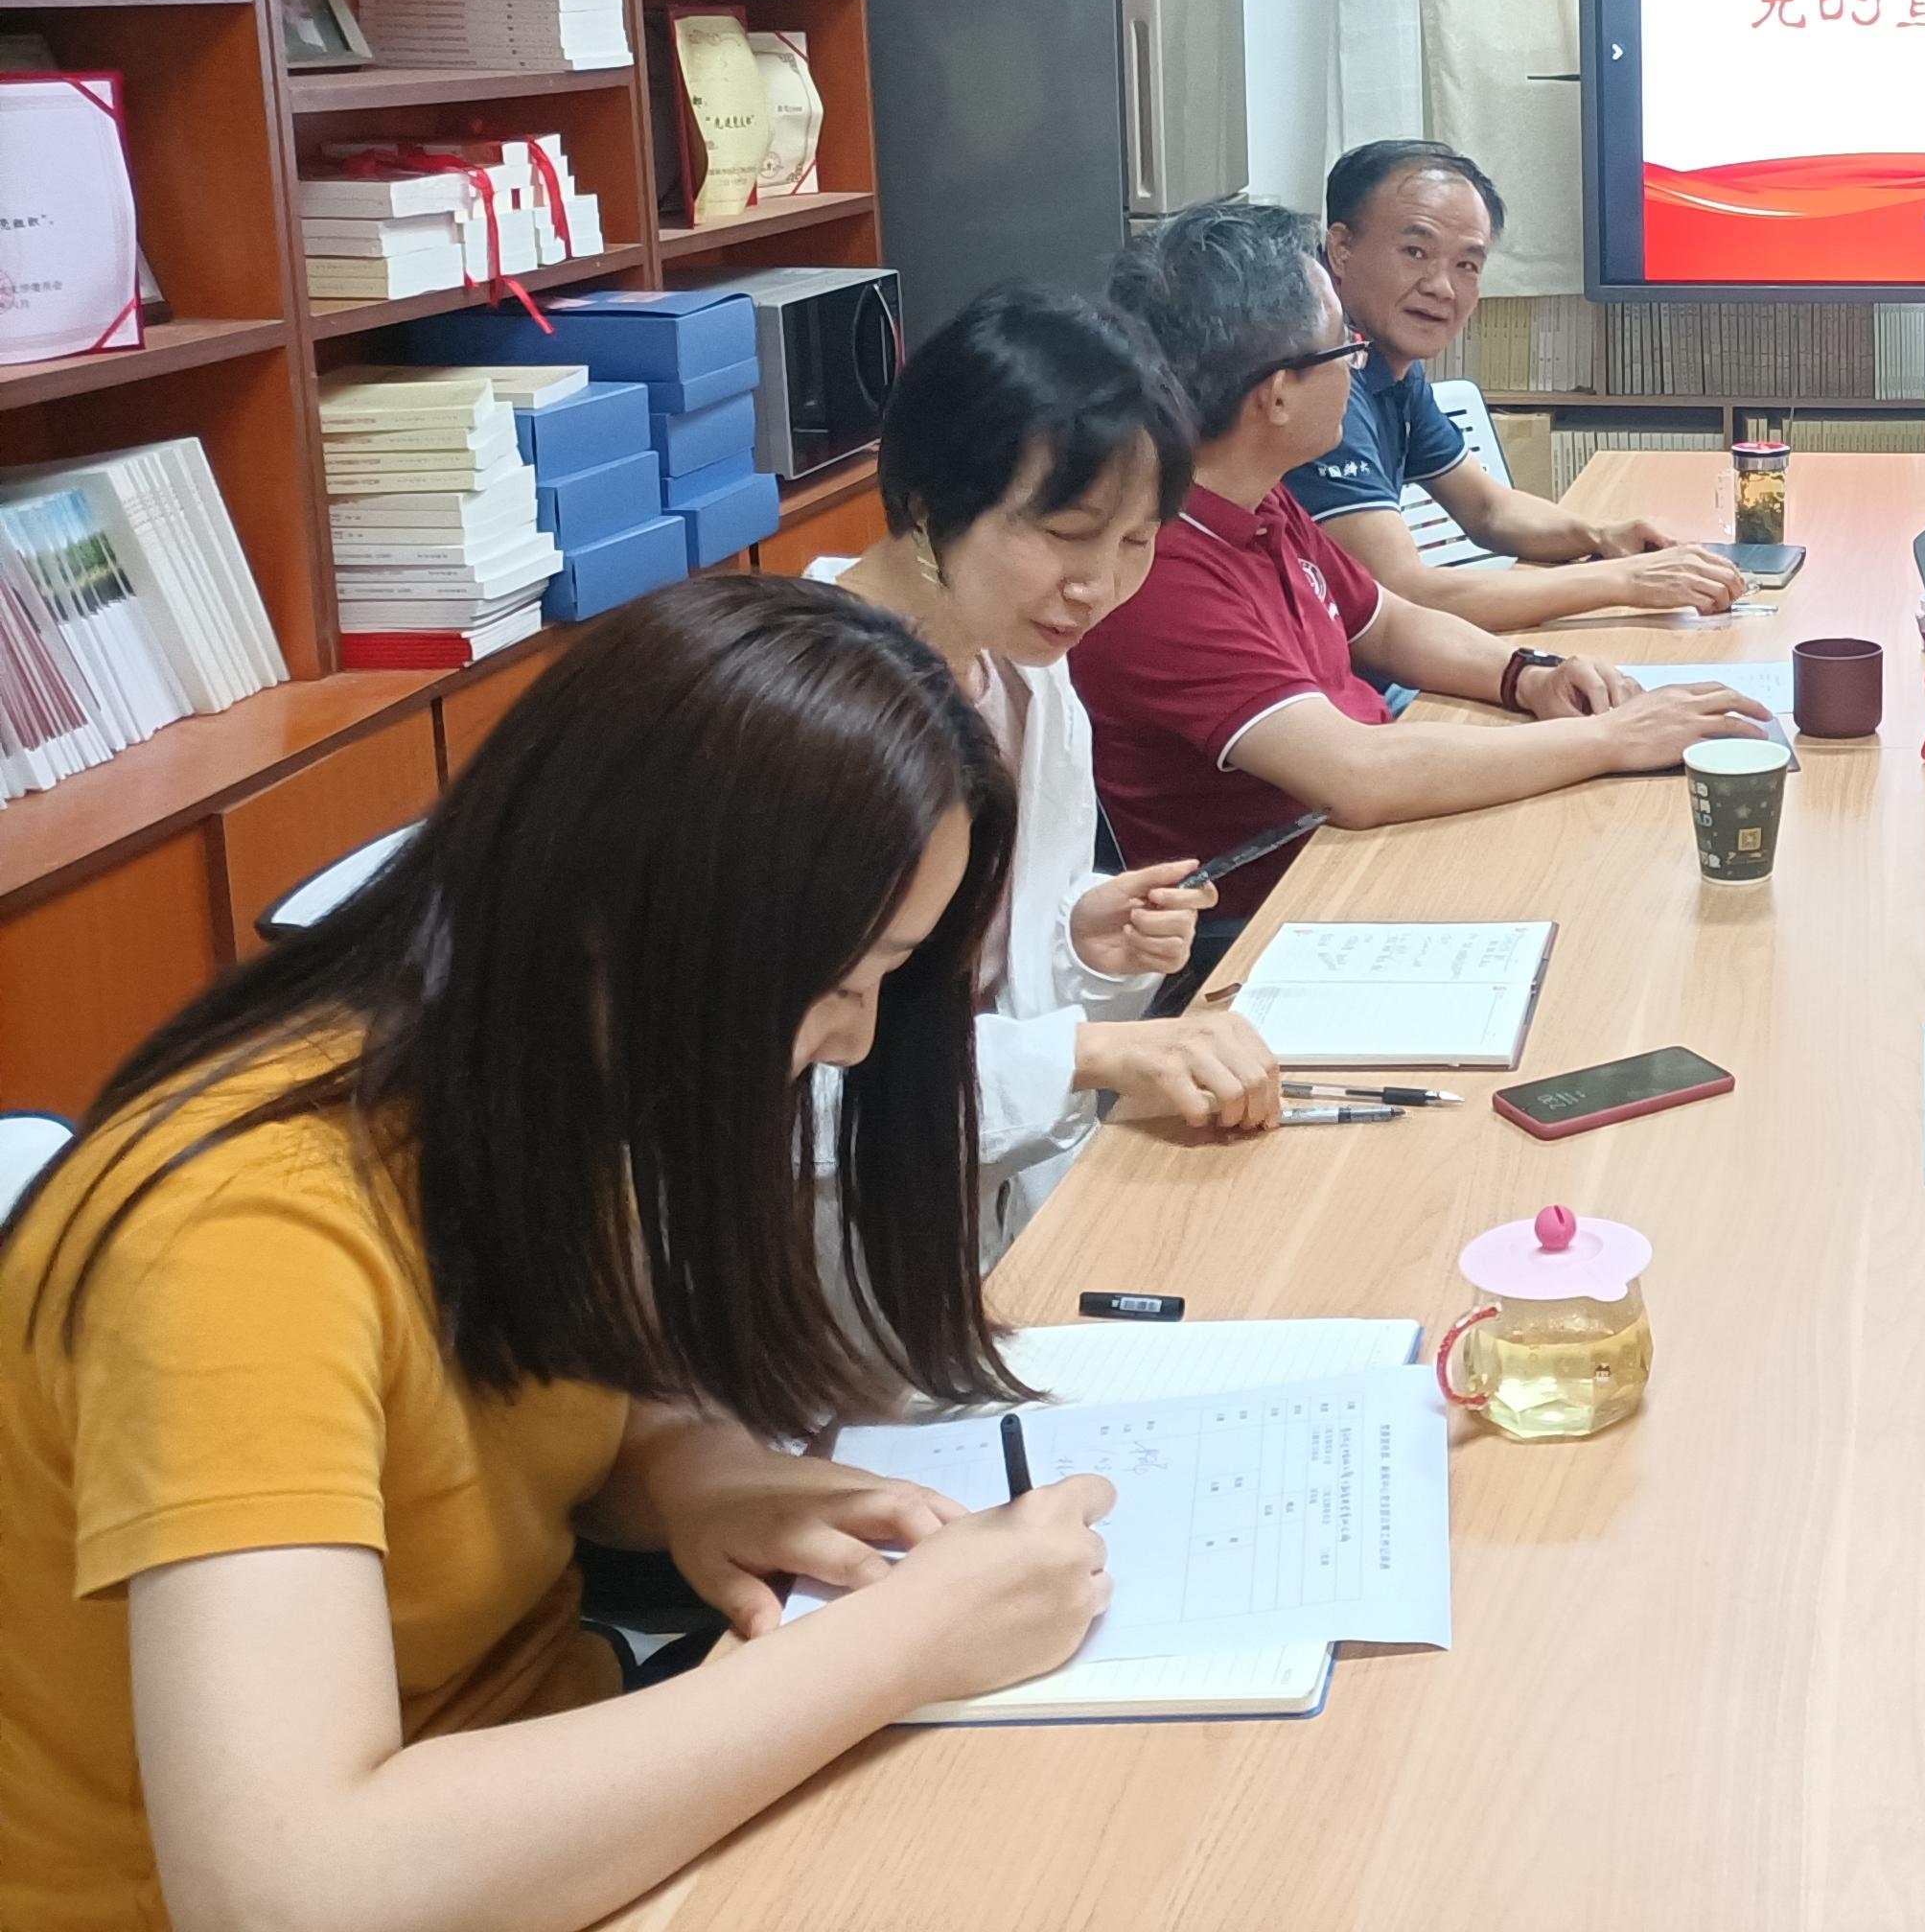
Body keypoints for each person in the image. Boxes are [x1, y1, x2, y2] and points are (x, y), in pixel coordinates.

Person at [0, 581, 1119, 1932]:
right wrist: (905, 1642)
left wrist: (699, 1469)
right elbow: (289, 1889)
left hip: (549, 1795)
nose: (856, 1040)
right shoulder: (241, 1238)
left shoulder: (539, 1069)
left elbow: (564, 1376)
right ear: (628, 917)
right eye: (840, 980)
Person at [1079, 199, 1772, 926]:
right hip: (1282, 917)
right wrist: (1614, 737)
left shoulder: (1257, 496)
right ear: (1277, 396)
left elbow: (1388, 624)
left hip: (1369, 850)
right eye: (1343, 347)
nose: (1358, 363)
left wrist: (1527, 676)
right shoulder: (1159, 572)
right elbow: (1356, 775)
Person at [816, 285, 1285, 1255]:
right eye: (1068, 534)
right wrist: (1084, 1052)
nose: (1098, 587)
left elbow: (1002, 979)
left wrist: (1081, 939)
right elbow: (786, 1081)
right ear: (927, 500)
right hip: (822, 1232)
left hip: (979, 1200)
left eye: (1137, 542)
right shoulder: (813, 720)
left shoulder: (1024, 673)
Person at [1294, 139, 1750, 621]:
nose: (1441, 287)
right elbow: (1405, 594)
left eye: (1466, 265)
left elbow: (1489, 509)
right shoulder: (1319, 381)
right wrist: (1629, 581)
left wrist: (1601, 535)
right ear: (1341, 249)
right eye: (1415, 251)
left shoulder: (1388, 364)